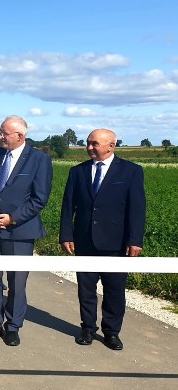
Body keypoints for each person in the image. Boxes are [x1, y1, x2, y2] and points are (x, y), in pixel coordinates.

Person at [0, 115, 52, 346]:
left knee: (17, 281)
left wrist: (12, 218)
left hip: (20, 231)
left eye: (4, 133)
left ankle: (13, 326)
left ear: (20, 136)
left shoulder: (38, 159)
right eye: (0, 132)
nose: (0, 136)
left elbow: (39, 198)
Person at [60, 128, 145, 351]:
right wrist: (66, 234)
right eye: (88, 143)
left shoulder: (131, 171)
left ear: (111, 145)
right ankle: (87, 328)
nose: (89, 147)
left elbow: (137, 209)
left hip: (116, 244)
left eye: (94, 143)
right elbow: (68, 206)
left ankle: (111, 332)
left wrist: (135, 239)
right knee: (86, 289)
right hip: (84, 240)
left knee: (114, 290)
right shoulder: (77, 172)